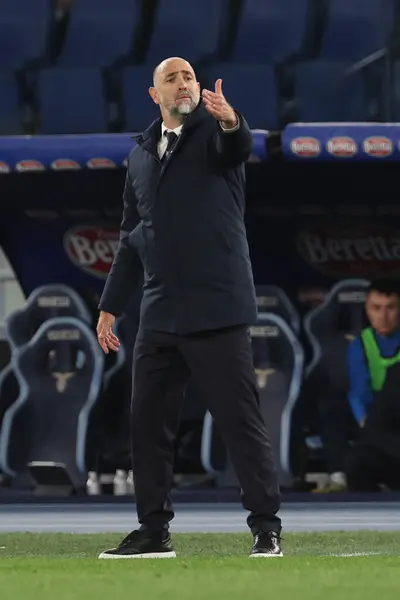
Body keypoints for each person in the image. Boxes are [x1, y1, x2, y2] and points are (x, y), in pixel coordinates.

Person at [95, 57, 282, 559]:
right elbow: (131, 240)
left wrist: (230, 119)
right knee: (147, 424)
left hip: (216, 307)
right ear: (154, 95)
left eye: (190, 77)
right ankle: (154, 531)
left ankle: (266, 527)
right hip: (158, 312)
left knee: (239, 421)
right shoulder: (138, 157)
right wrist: (111, 306)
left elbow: (236, 145)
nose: (184, 83)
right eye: (172, 78)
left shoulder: (214, 134)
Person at [345, 279, 400, 491]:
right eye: (376, 308)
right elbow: (359, 394)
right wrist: (369, 426)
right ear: (367, 310)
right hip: (380, 421)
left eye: (391, 308)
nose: (383, 316)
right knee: (358, 460)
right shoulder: (361, 344)